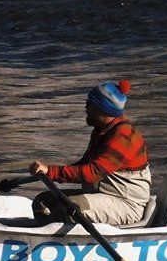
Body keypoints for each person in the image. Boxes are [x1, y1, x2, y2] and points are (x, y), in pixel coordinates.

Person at [29, 79, 151, 226]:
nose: (85, 106)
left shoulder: (123, 137)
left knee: (72, 207)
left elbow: (92, 174)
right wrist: (49, 172)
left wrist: (51, 171)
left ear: (103, 109)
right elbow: (84, 165)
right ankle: (46, 235)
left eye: (90, 103)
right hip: (102, 196)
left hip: (126, 205)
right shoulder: (102, 131)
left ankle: (60, 241)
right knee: (43, 201)